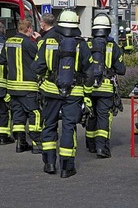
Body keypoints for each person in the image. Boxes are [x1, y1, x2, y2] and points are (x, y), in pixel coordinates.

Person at [32, 10, 92, 178]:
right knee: (68, 127)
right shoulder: (81, 44)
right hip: (74, 93)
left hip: (51, 91)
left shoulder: (48, 41)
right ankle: (67, 167)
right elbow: (89, 71)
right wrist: (86, 93)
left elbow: (37, 67)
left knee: (49, 125)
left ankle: (49, 163)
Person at [85, 14, 126, 158]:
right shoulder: (113, 47)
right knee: (103, 117)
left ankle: (90, 145)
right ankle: (101, 148)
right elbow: (121, 69)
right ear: (108, 29)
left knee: (91, 115)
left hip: (89, 88)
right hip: (106, 88)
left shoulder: (87, 44)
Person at [0, 19, 41, 153]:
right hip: (28, 86)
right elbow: (41, 57)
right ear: (29, 29)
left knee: (18, 114)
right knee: (34, 114)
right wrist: (39, 40)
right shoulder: (29, 43)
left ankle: (20, 143)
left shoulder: (8, 41)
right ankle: (36, 144)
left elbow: (1, 60)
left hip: (12, 86)